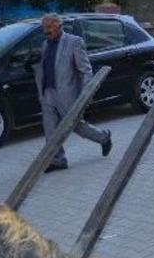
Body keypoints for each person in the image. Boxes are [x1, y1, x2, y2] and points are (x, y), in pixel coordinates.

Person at [33, 14, 112, 173]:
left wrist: (86, 94)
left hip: (67, 93)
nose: (45, 31)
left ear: (58, 26)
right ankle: (57, 160)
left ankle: (103, 137)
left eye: (48, 27)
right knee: (50, 128)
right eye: (44, 28)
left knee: (76, 126)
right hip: (48, 92)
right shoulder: (45, 45)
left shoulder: (74, 42)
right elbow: (43, 68)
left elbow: (85, 70)